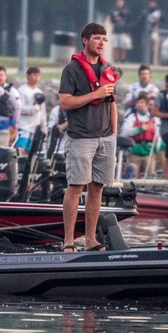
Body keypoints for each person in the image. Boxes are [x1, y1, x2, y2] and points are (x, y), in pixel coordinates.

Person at [58, 22, 119, 252]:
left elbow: (113, 104)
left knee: (97, 188)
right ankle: (69, 241)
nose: (101, 43)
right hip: (81, 137)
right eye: (96, 38)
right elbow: (65, 101)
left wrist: (114, 133)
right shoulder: (71, 70)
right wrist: (94, 94)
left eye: (104, 39)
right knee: (76, 187)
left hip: (105, 137)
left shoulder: (107, 69)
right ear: (84, 40)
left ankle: (90, 240)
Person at [119, 93, 158, 177]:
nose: (139, 105)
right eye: (138, 103)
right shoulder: (131, 117)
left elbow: (157, 136)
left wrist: (156, 149)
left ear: (147, 105)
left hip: (148, 152)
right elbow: (124, 132)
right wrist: (139, 129)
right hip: (135, 150)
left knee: (150, 175)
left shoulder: (153, 119)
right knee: (133, 175)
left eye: (142, 103)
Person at [15, 66, 47, 155]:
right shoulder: (22, 90)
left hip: (35, 128)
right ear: (28, 76)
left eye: (38, 75)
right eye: (34, 75)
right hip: (24, 127)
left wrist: (44, 128)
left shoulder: (39, 92)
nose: (36, 78)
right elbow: (20, 109)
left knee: (32, 153)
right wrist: (35, 108)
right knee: (21, 151)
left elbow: (42, 112)